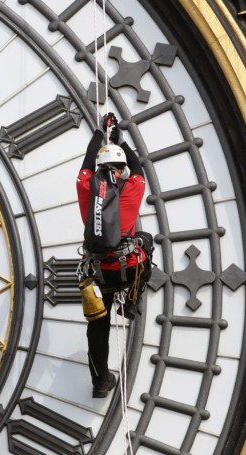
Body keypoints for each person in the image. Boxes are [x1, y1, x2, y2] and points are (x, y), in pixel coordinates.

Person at [76, 113, 153, 398]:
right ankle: (132, 302)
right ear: (119, 170)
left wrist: (98, 133)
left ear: (99, 170)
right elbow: (138, 169)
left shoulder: (86, 189)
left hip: (99, 275)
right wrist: (119, 138)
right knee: (146, 241)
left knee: (97, 328)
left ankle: (100, 381)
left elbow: (84, 167)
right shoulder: (132, 188)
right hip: (128, 267)